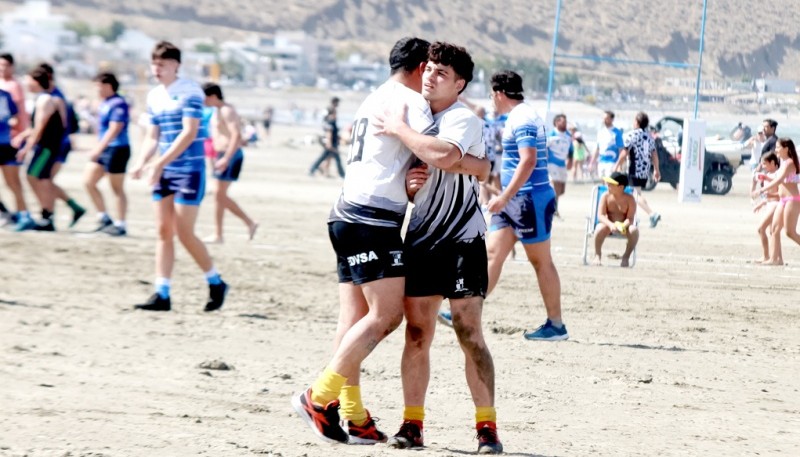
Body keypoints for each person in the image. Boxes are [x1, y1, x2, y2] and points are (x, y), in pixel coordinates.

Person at [291, 37, 458, 446]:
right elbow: (438, 154)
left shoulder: (372, 97)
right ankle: (319, 397)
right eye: (431, 70)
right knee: (386, 317)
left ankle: (353, 415)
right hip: (372, 219)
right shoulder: (412, 103)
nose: (432, 77)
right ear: (421, 67)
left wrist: (404, 177)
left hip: (345, 213)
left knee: (352, 321)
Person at [372, 41, 501, 454]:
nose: (429, 75)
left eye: (442, 73)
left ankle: (487, 429)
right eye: (428, 68)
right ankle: (412, 425)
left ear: (460, 84)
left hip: (464, 240)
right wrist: (412, 189)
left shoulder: (463, 119)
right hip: (423, 239)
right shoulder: (418, 115)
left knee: (468, 332)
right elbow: (423, 172)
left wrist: (401, 131)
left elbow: (445, 155)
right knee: (417, 334)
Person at [130, 41, 227, 312]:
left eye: (161, 64)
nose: (156, 69)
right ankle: (162, 292)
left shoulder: (190, 92)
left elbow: (189, 133)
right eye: (154, 64)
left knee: (184, 233)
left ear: (175, 65)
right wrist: (141, 162)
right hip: (164, 170)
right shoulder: (154, 96)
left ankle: (215, 281)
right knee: (163, 231)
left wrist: (158, 163)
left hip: (189, 171)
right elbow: (153, 135)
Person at [485, 70, 568, 341]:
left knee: (540, 261)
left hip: (530, 199)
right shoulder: (515, 117)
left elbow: (528, 160)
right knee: (492, 254)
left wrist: (505, 197)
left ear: (499, 93)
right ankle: (467, 309)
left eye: (491, 95)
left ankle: (556, 325)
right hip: (513, 202)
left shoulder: (523, 117)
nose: (491, 101)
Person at [201, 82, 258, 244]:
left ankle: (249, 222)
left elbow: (235, 135)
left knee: (219, 195)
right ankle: (218, 234)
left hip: (230, 155)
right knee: (219, 196)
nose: (202, 101)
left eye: (204, 97)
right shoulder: (215, 111)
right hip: (220, 155)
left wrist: (226, 158)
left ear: (212, 96)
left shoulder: (227, 110)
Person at [14, 67, 66, 231]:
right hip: (46, 146)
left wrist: (25, 149)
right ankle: (46, 215)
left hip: (47, 147)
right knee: (38, 178)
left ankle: (47, 216)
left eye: (28, 80)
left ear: (36, 81)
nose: (26, 83)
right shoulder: (42, 98)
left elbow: (39, 128)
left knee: (37, 177)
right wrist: (22, 137)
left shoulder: (45, 100)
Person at [37, 62, 86, 227]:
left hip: (57, 145)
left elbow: (65, 125)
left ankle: (50, 215)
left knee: (44, 179)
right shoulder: (54, 94)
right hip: (60, 144)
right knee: (46, 179)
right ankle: (71, 208)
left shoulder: (56, 97)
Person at [83, 72, 130, 236]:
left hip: (117, 149)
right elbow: (101, 129)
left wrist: (98, 148)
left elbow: (115, 128)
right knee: (89, 182)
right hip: (104, 149)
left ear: (108, 85)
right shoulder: (103, 103)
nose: (96, 90)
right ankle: (104, 217)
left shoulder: (118, 103)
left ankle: (120, 224)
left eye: (98, 86)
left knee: (116, 188)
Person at [752, 138, 800, 266]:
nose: (776, 150)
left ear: (786, 148)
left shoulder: (790, 163)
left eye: (778, 147)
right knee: (774, 229)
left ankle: (775, 258)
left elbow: (779, 180)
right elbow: (780, 179)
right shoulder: (783, 162)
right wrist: (766, 178)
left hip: (792, 200)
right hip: (783, 200)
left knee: (790, 232)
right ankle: (775, 259)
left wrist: (762, 190)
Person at [0, 53, 35, 231]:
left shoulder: (9, 91)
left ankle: (23, 215)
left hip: (7, 143)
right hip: (8, 141)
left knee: (13, 182)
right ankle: (9, 213)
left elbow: (17, 115)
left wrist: (22, 135)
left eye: (5, 65)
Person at [615, 112, 661, 228]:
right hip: (645, 170)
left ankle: (652, 214)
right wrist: (656, 170)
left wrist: (616, 166)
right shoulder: (649, 137)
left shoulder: (632, 135)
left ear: (637, 122)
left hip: (634, 169)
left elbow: (624, 152)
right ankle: (632, 219)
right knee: (637, 193)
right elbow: (654, 155)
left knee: (634, 195)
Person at [592, 172, 639, 267]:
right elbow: (600, 215)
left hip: (624, 227)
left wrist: (623, 226)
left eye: (611, 184)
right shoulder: (605, 196)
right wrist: (610, 225)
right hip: (608, 225)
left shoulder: (630, 199)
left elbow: (630, 218)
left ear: (621, 187)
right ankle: (597, 255)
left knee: (634, 230)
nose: (607, 185)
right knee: (599, 228)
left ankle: (626, 257)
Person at [751, 152, 780, 263]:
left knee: (761, 229)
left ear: (772, 162)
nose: (763, 166)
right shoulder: (769, 176)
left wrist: (766, 178)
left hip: (776, 205)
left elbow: (780, 193)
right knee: (773, 232)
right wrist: (760, 204)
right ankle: (777, 258)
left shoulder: (777, 175)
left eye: (764, 164)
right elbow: (767, 195)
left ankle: (767, 256)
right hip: (770, 205)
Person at [308, 97, 345, 178]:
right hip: (330, 141)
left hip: (331, 140)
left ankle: (317, 170)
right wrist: (329, 142)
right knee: (332, 158)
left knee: (326, 157)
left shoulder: (329, 115)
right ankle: (342, 174)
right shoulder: (330, 116)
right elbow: (329, 131)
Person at [546, 113, 573, 217]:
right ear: (557, 122)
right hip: (552, 164)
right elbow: (544, 147)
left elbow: (571, 150)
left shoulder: (568, 135)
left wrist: (570, 160)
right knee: (555, 185)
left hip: (562, 164)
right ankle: (553, 209)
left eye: (566, 122)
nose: (565, 124)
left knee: (561, 190)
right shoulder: (551, 134)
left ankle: (551, 201)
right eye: (563, 121)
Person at [594, 110, 624, 179]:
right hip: (601, 161)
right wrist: (592, 162)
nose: (604, 120)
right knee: (602, 183)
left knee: (610, 184)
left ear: (612, 119)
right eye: (603, 118)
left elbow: (621, 149)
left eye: (606, 118)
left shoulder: (617, 132)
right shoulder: (600, 132)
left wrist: (620, 164)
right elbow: (597, 148)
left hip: (612, 162)